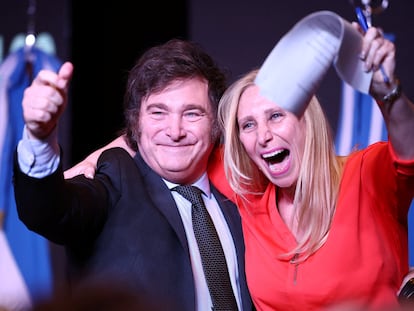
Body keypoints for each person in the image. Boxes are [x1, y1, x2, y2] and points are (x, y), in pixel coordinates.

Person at [64, 23, 414, 310]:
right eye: (247, 125)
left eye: (276, 116)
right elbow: (171, 140)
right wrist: (98, 158)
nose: (263, 135)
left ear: (308, 121)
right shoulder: (246, 193)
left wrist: (389, 94)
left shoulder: (367, 175)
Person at [12, 39, 253, 311]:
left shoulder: (239, 199)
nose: (175, 131)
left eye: (192, 114)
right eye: (158, 112)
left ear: (216, 124)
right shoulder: (116, 176)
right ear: (136, 122)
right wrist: (39, 137)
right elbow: (49, 212)